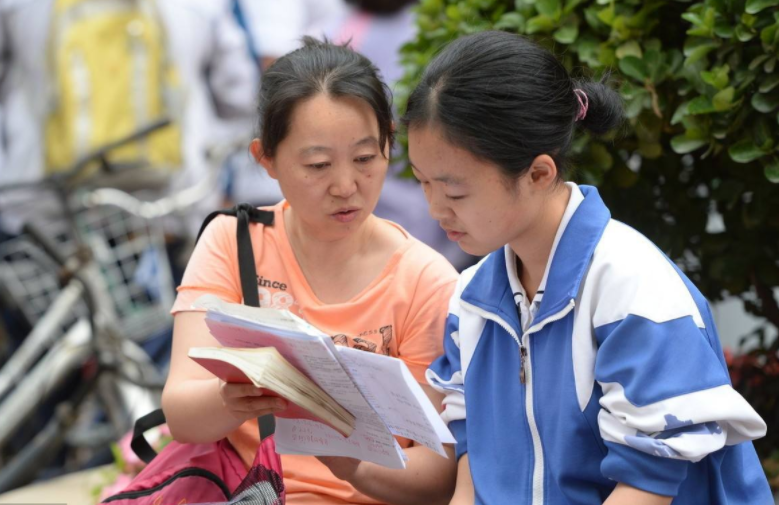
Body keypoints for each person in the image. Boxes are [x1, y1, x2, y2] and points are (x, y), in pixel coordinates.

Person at [404, 30, 773, 505]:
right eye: (422, 183)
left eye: (455, 191)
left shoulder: (633, 288)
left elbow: (647, 484)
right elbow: (473, 474)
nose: (436, 208)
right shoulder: (471, 297)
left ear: (539, 173)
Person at [162, 38, 458, 505]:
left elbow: (437, 476)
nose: (345, 186)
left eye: (365, 159)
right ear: (267, 159)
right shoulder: (233, 241)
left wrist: (352, 463)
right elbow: (180, 413)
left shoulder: (427, 280)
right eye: (317, 165)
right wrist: (230, 397)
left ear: (389, 143)